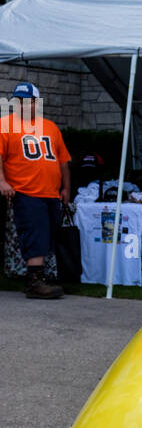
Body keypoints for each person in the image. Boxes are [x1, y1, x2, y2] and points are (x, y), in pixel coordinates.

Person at [0, 81, 71, 299]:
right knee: (35, 232)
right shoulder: (5, 124)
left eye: (28, 101)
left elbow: (62, 161)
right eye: (18, 101)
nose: (22, 105)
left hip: (51, 192)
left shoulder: (50, 126)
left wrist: (67, 187)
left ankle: (40, 276)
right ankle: (34, 282)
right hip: (25, 190)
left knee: (48, 233)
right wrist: (2, 181)